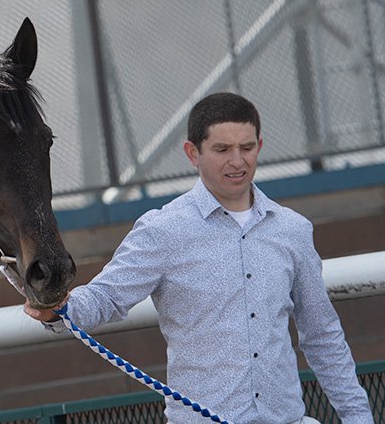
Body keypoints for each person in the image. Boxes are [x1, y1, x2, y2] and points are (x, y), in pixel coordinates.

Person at [24, 92, 374, 424]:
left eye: (247, 147)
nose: (237, 161)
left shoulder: (293, 231)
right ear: (193, 153)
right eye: (222, 149)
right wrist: (59, 308)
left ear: (260, 147)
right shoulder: (162, 230)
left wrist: (359, 418)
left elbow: (322, 335)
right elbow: (106, 296)